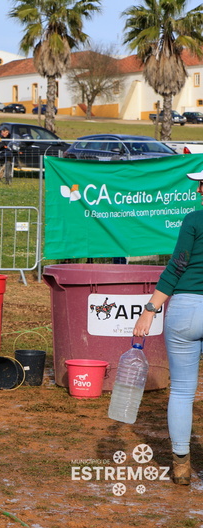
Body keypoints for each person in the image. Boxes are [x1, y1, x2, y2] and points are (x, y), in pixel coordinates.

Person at [133, 170, 203, 486]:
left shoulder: (193, 220)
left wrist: (149, 310)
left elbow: (177, 266)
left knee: (182, 391)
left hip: (186, 311)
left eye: (201, 184)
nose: (199, 189)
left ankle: (181, 466)